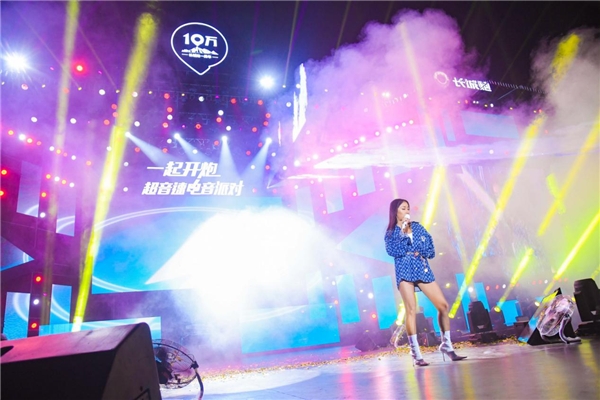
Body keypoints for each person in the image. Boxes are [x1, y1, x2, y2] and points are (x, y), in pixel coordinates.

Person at [384, 198, 466, 366]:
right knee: (411, 310)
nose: (407, 211)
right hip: (404, 270)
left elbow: (430, 249)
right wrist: (406, 235)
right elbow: (393, 251)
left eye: (408, 208)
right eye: (403, 208)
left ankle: (446, 345)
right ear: (395, 211)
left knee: (443, 306)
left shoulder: (418, 227)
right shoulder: (391, 232)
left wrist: (417, 250)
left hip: (421, 268)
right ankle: (415, 353)